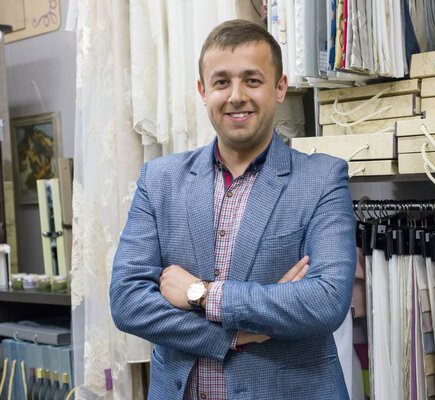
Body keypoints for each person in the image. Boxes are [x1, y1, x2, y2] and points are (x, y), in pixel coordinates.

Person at [109, 19, 356, 400]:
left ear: (279, 89)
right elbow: (127, 301)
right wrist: (234, 336)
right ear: (202, 90)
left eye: (252, 80)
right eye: (222, 82)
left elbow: (325, 302)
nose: (236, 95)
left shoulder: (322, 178)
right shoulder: (159, 180)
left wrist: (201, 294)